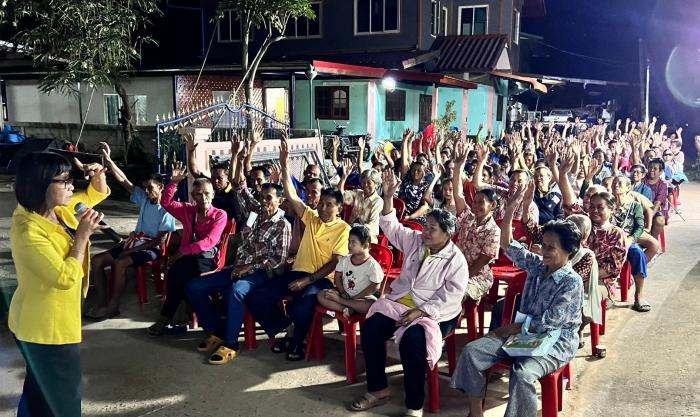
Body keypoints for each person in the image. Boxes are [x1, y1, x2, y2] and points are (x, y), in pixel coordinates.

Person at [450, 185, 583, 417]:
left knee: (522, 374)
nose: (545, 251)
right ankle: (475, 413)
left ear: (568, 251)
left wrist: (507, 330)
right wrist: (510, 211)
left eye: (552, 247)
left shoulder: (571, 282)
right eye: (544, 245)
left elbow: (548, 323)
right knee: (471, 352)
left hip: (555, 341)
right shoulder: (538, 266)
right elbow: (508, 246)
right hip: (522, 336)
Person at [348, 170, 468, 417]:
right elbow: (391, 226)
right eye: (426, 227)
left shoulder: (456, 260)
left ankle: (414, 405)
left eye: (432, 229)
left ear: (447, 233)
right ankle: (378, 389)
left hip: (434, 315)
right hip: (399, 305)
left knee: (413, 342)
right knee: (371, 329)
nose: (425, 232)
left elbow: (452, 297)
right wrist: (389, 197)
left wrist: (420, 312)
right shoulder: (416, 241)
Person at [9, 152, 110, 417]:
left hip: (48, 321)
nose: (71, 187)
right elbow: (64, 278)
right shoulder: (28, 231)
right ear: (41, 184)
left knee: (38, 393)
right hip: (45, 329)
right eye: (64, 181)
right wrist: (82, 237)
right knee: (64, 398)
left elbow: (93, 195)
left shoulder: (57, 210)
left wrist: (98, 175)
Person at [246, 133, 350, 361]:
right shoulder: (311, 217)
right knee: (257, 297)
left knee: (302, 306)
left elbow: (335, 262)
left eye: (329, 205)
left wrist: (308, 280)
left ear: (339, 209)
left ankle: (299, 340)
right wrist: (284, 164)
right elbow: (291, 196)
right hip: (297, 272)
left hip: (322, 279)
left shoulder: (343, 229)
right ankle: (284, 328)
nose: (323, 208)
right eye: (322, 203)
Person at [186, 181, 291, 364]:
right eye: (261, 197)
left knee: (236, 291)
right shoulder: (254, 215)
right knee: (194, 286)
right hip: (238, 268)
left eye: (269, 198)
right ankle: (218, 329)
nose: (263, 202)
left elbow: (278, 260)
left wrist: (250, 267)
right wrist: (236, 266)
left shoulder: (282, 225)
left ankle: (231, 343)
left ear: (280, 200)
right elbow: (243, 237)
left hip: (262, 273)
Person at [88, 143, 176, 320]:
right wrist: (109, 161)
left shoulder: (166, 209)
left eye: (150, 188)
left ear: (161, 187)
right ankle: (102, 300)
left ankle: (113, 306)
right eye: (145, 188)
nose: (146, 191)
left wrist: (130, 250)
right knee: (97, 260)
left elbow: (157, 242)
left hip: (152, 249)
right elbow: (124, 181)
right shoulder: (144, 199)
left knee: (121, 262)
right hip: (135, 243)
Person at [148, 162, 228, 336]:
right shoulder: (188, 210)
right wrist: (174, 183)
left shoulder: (220, 215)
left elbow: (209, 241)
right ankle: (175, 316)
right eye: (199, 194)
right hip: (188, 259)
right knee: (178, 274)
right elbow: (166, 202)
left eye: (207, 193)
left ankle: (169, 316)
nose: (204, 198)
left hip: (207, 259)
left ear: (213, 194)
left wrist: (181, 252)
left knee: (179, 272)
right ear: (193, 196)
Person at [452, 142, 501, 303]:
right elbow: (458, 195)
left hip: (476, 277)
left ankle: (449, 327)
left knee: (456, 293)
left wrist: (459, 277)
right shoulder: (468, 217)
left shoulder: (493, 231)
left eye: (482, 202)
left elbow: (480, 263)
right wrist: (458, 167)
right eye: (475, 201)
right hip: (456, 270)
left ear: (492, 205)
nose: (476, 205)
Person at [317, 225, 383, 317]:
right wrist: (342, 291)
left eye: (353, 242)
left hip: (361, 298)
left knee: (372, 304)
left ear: (365, 246)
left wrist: (355, 297)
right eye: (349, 241)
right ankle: (347, 309)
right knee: (321, 294)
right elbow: (337, 276)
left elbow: (374, 287)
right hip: (343, 294)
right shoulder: (345, 260)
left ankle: (343, 303)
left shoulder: (373, 266)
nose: (349, 245)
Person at [610, 177, 652, 312]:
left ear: (628, 188)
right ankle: (607, 293)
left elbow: (640, 226)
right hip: (608, 240)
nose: (616, 185)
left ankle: (638, 295)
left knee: (638, 254)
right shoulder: (607, 203)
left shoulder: (635, 205)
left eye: (620, 184)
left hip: (627, 240)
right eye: (614, 183)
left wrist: (631, 239)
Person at [338, 164, 383, 243]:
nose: (365, 185)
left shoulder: (378, 201)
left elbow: (371, 225)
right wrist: (344, 177)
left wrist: (355, 227)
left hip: (366, 236)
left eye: (369, 182)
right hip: (351, 231)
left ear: (375, 184)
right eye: (363, 182)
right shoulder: (358, 193)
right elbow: (340, 195)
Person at [644, 158, 669, 241]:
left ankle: (653, 242)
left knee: (660, 220)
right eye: (650, 167)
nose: (651, 170)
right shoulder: (642, 180)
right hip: (639, 208)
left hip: (654, 211)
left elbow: (657, 204)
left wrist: (648, 219)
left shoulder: (662, 185)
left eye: (655, 169)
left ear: (661, 172)